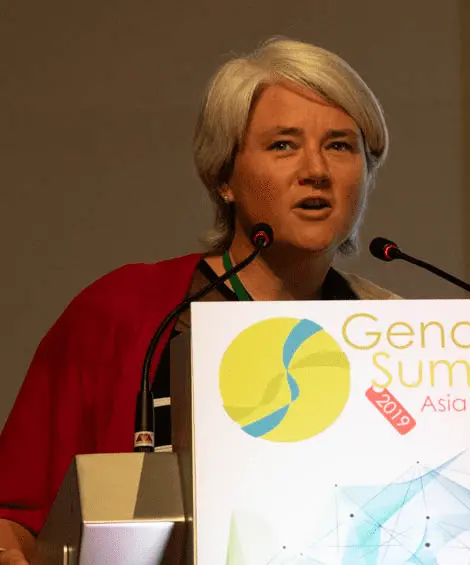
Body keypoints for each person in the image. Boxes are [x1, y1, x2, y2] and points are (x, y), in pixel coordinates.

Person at [0, 38, 401, 565]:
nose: (316, 170)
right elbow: (15, 515)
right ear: (223, 177)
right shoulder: (126, 311)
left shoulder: (395, 333)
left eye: (341, 146)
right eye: (283, 145)